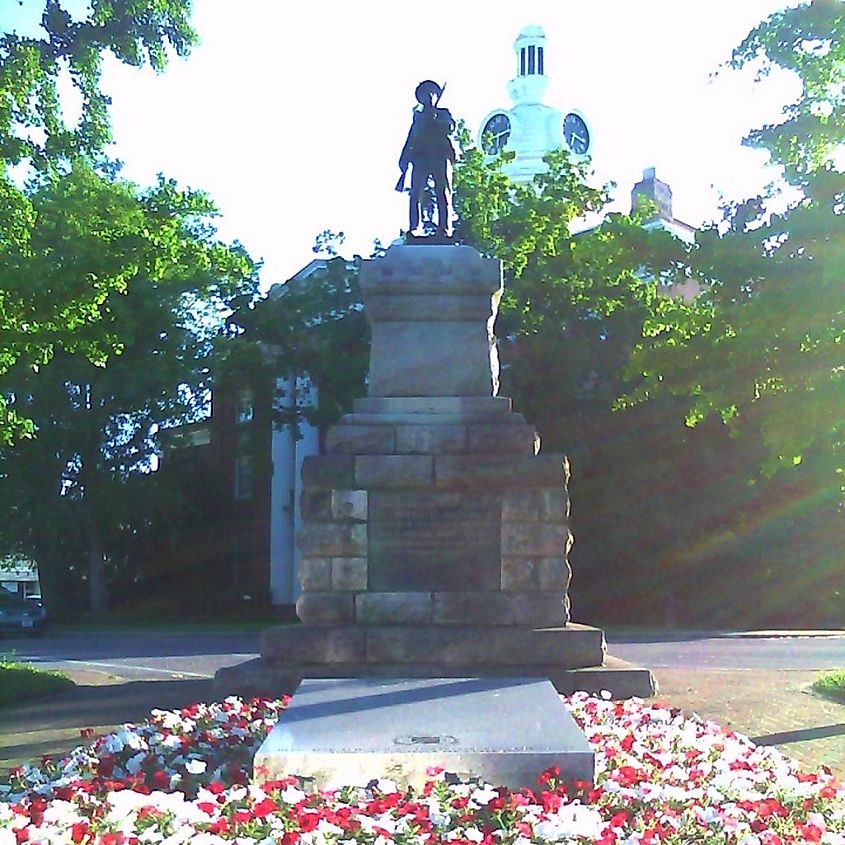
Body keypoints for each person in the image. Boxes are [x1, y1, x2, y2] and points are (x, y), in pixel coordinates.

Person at [398, 80, 456, 238]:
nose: (429, 96)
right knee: (416, 192)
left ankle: (444, 228)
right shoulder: (418, 118)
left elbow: (450, 127)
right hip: (421, 157)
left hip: (439, 155)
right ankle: (414, 227)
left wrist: (435, 119)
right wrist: (404, 158)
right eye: (425, 94)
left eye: (432, 93)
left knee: (442, 192)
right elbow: (411, 138)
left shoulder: (443, 113)